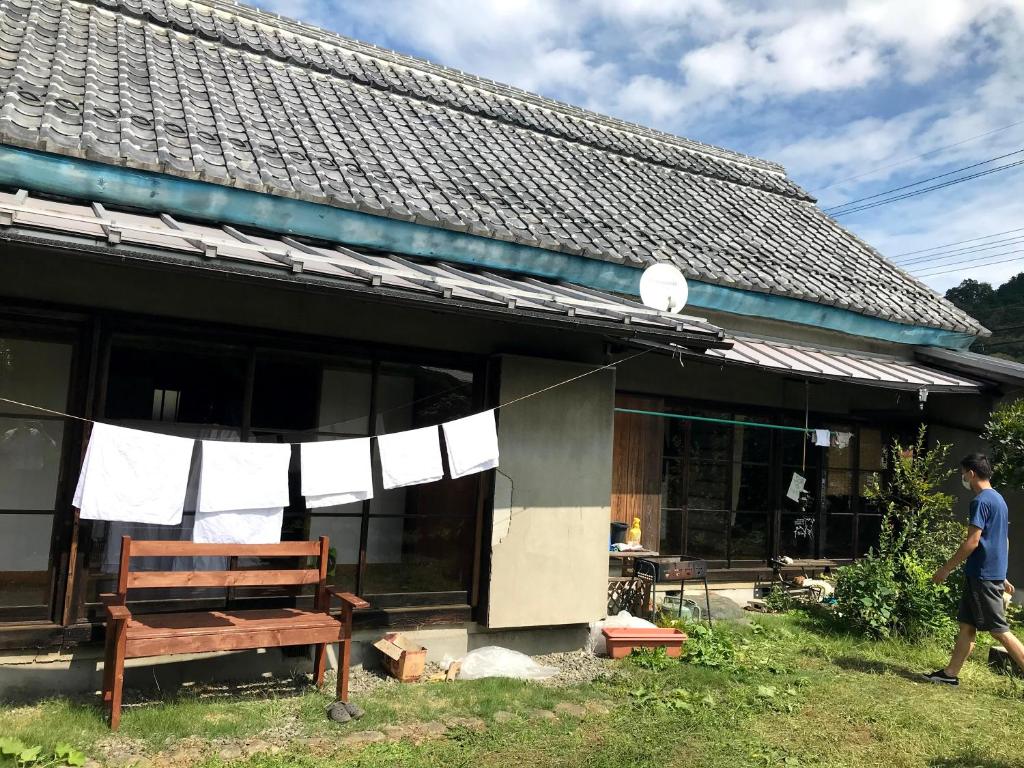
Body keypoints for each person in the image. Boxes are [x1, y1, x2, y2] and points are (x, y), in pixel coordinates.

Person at [924, 453, 1023, 686]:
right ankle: (949, 675)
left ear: (971, 473)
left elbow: (973, 541)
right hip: (986, 574)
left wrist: (945, 569)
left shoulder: (981, 501)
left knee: (999, 631)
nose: (962, 478)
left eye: (962, 473)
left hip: (982, 576)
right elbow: (1003, 540)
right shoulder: (999, 499)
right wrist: (1003, 573)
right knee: (967, 625)